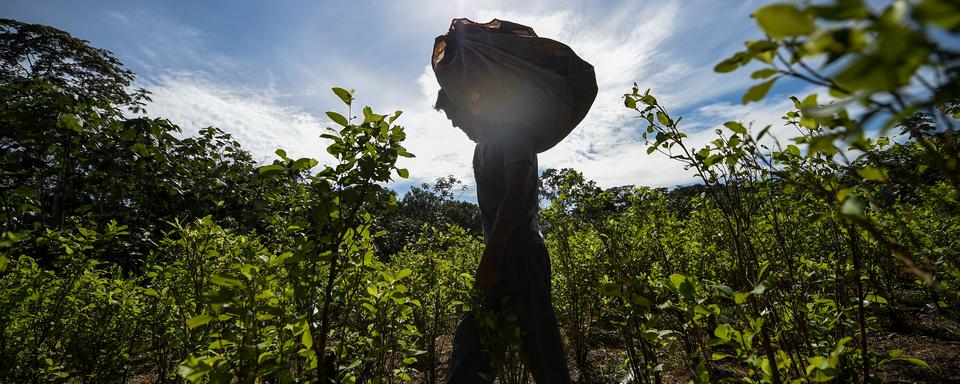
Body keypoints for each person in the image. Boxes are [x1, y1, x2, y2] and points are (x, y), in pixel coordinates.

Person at [435, 90, 573, 384]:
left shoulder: (514, 135)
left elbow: (515, 199)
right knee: (472, 345)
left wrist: (489, 258)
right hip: (498, 256)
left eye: (455, 115)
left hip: (521, 256)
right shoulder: (481, 149)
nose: (455, 124)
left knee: (543, 354)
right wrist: (492, 257)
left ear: (471, 104)